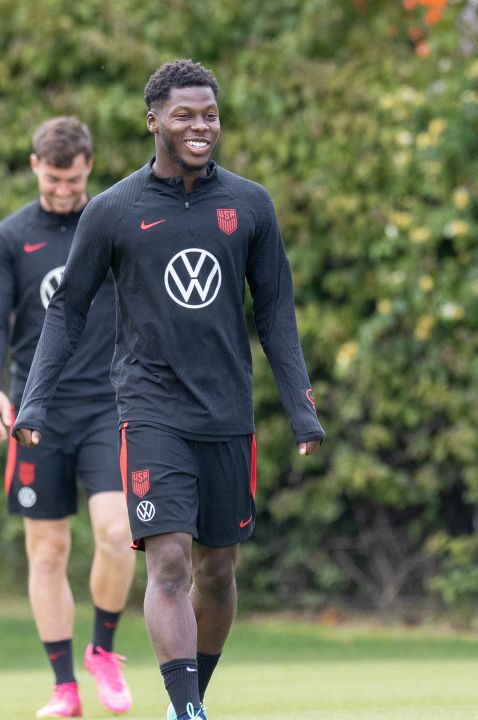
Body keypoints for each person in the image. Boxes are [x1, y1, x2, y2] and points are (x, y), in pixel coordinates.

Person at [14, 59, 324, 720]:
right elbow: (66, 309)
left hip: (228, 417)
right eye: (185, 114)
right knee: (171, 563)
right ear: (153, 120)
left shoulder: (250, 205)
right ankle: (186, 709)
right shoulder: (116, 210)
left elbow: (274, 312)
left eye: (209, 113)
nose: (200, 125)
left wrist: (300, 406)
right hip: (149, 412)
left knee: (218, 573)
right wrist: (35, 397)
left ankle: (194, 695)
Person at [1, 116, 136, 718]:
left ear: (88, 167)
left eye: (74, 179)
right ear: (35, 167)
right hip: (37, 411)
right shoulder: (11, 237)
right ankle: (64, 688)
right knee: (47, 551)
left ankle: (103, 652)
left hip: (109, 405)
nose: (64, 190)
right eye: (54, 179)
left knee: (116, 533)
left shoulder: (111, 220)